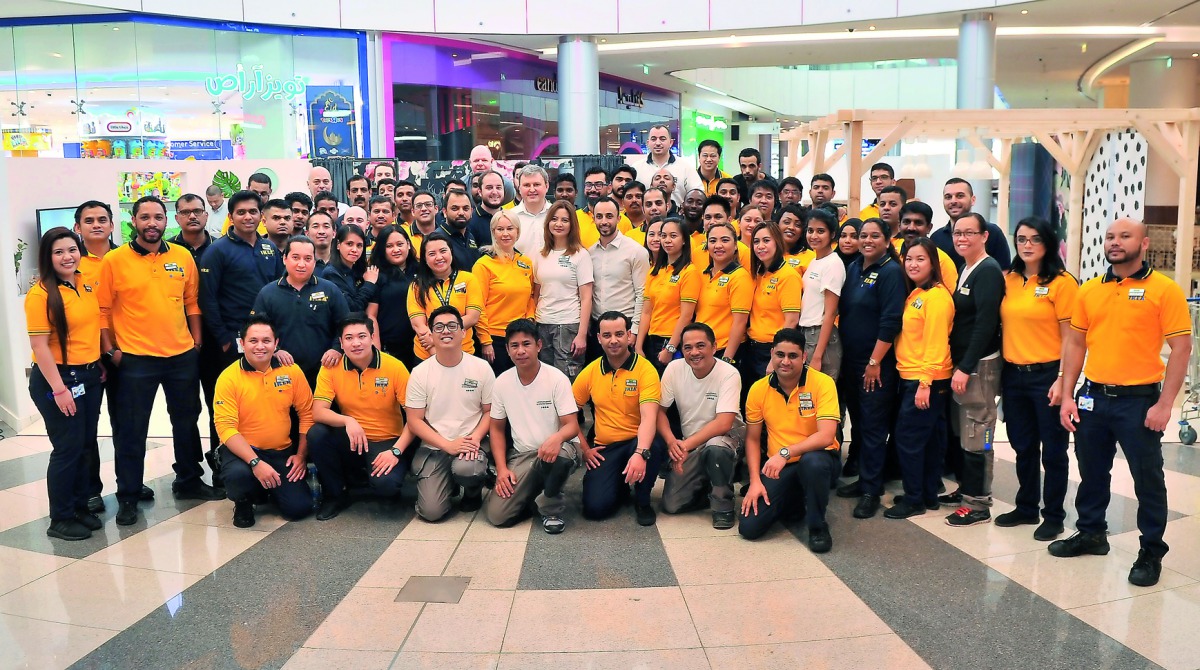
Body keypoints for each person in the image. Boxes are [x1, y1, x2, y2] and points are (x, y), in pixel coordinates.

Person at [1052, 218, 1191, 587]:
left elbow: (1181, 348)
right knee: (1092, 471)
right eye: (1110, 237)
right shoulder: (1091, 290)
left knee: (1148, 480)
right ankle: (1092, 533)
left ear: (1144, 243)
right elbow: (1076, 344)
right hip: (1094, 397)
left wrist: (1164, 405)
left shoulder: (1164, 290)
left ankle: (1151, 551)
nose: (1115, 242)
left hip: (1139, 401)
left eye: (1125, 236)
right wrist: (1068, 394)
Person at [99, 196, 220, 527]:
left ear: (167, 221)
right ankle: (128, 495)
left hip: (181, 356)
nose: (151, 223)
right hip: (135, 359)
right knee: (131, 430)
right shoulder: (114, 260)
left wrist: (196, 341)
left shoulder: (181, 256)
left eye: (157, 217)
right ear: (133, 221)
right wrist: (111, 351)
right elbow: (103, 310)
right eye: (144, 218)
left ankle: (189, 481)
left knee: (186, 421)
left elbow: (192, 301)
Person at [997, 217, 1078, 541]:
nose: (1027, 245)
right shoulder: (1009, 279)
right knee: (1023, 446)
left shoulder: (1061, 282)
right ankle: (1026, 506)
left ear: (1048, 243)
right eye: (1021, 239)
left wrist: (1063, 380)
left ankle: (1054, 515)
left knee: (1054, 450)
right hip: (1014, 376)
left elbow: (1071, 338)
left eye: (1034, 239)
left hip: (1048, 375)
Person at [198, 190, 285, 488]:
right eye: (241, 212)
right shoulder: (217, 251)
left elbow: (277, 292)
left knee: (262, 402)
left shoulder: (269, 249)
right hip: (229, 344)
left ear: (261, 216)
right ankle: (224, 466)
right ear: (231, 216)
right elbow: (207, 299)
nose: (248, 217)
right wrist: (223, 338)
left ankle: (263, 461)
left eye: (253, 212)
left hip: (264, 344)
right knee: (224, 406)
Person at [26, 228, 104, 540]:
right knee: (67, 449)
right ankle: (60, 518)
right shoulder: (40, 294)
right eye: (58, 252)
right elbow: (40, 347)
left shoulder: (83, 283)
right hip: (57, 379)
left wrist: (95, 363)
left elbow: (88, 329)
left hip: (87, 375)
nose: (67, 256)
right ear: (48, 257)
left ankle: (78, 507)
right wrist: (59, 390)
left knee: (85, 446)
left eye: (71, 249)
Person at [738, 328, 840, 553]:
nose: (785, 361)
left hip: (819, 458)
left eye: (793, 356)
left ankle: (817, 526)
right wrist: (755, 480)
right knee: (749, 528)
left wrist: (785, 453)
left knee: (812, 463)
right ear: (772, 353)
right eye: (780, 355)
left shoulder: (822, 383)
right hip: (780, 467)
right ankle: (795, 499)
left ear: (803, 357)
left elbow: (826, 436)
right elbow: (753, 440)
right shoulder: (758, 389)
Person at [213, 316, 314, 529]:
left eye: (267, 341)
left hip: (281, 451)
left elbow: (307, 413)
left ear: (276, 344)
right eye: (253, 341)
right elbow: (225, 428)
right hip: (244, 452)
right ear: (242, 343)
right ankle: (244, 501)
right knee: (239, 476)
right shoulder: (228, 377)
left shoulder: (291, 371)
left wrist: (301, 455)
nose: (260, 346)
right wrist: (255, 463)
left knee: (299, 509)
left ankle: (271, 489)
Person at [309, 316, 413, 521]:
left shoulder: (394, 367)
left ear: (373, 337)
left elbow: (415, 418)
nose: (355, 343)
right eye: (349, 338)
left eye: (361, 336)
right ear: (341, 342)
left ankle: (375, 480)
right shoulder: (331, 367)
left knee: (387, 487)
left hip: (386, 440)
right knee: (317, 434)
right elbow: (318, 411)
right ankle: (335, 494)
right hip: (352, 436)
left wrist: (395, 450)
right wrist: (349, 421)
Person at [486, 320, 581, 533]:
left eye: (526, 344)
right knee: (497, 516)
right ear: (508, 350)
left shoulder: (556, 378)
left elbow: (571, 426)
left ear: (539, 345)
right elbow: (497, 429)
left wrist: (555, 439)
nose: (521, 351)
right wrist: (502, 469)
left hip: (560, 449)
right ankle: (534, 493)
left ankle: (551, 508)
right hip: (523, 455)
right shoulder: (502, 382)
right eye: (514, 345)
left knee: (558, 457)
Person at [835, 217, 907, 500]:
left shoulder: (891, 272)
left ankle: (871, 491)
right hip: (851, 362)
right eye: (863, 235)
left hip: (875, 365)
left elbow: (891, 321)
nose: (866, 240)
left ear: (888, 241)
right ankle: (866, 478)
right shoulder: (854, 268)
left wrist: (875, 362)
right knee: (860, 424)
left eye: (874, 236)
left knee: (874, 426)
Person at [884, 237, 955, 519]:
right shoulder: (917, 294)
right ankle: (926, 493)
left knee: (908, 439)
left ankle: (914, 499)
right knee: (928, 440)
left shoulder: (937, 297)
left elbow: (937, 344)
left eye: (920, 259)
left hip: (925, 379)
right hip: (915, 376)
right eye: (909, 259)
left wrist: (925, 383)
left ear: (933, 263)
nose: (913, 264)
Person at [574, 311, 665, 526]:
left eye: (619, 334)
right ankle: (621, 484)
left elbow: (650, 418)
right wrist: (585, 449)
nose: (613, 340)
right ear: (598, 338)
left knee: (655, 446)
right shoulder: (591, 371)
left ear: (629, 336)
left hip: (637, 441)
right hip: (606, 446)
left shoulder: (645, 370)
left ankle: (643, 500)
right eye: (607, 335)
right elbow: (567, 416)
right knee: (595, 509)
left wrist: (641, 452)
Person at [943, 212, 1006, 527]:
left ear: (985, 236)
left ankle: (978, 503)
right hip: (966, 364)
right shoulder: (966, 268)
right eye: (957, 233)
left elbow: (985, 324)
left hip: (979, 366)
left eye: (969, 232)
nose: (961, 238)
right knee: (964, 433)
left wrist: (965, 367)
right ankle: (967, 489)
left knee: (978, 433)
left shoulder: (989, 271)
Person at [406, 306, 496, 520]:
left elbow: (490, 412)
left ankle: (473, 491)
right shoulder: (420, 373)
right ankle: (447, 483)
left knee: (468, 469)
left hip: (471, 443)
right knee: (431, 513)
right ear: (431, 334)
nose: (446, 331)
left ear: (463, 332)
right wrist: (447, 445)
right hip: (435, 446)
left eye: (452, 326)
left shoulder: (481, 368)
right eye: (439, 327)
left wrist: (474, 439)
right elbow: (414, 421)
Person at [658, 323, 743, 528]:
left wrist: (684, 446)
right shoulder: (674, 368)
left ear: (714, 347)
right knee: (672, 505)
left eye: (700, 346)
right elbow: (659, 412)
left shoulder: (729, 373)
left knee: (715, 447)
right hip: (693, 442)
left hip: (727, 438)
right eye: (687, 348)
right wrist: (673, 443)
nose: (694, 352)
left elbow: (723, 423)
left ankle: (723, 504)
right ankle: (709, 487)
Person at [251, 235, 350, 387]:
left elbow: (346, 325)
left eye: (308, 258)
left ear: (314, 261)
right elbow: (255, 330)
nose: (301, 264)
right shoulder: (267, 293)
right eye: (295, 257)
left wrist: (336, 349)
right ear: (285, 259)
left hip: (325, 371)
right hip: (281, 372)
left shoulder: (330, 289)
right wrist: (275, 350)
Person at [73, 201, 121, 513]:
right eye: (88, 220)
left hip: (123, 355)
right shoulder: (70, 263)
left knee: (127, 425)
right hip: (87, 360)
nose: (96, 225)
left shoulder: (125, 258)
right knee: (87, 430)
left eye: (102, 219)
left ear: (112, 225)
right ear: (78, 227)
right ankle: (91, 489)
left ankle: (131, 481)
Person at [533, 201, 594, 379]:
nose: (558, 224)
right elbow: (537, 292)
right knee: (545, 379)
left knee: (567, 380)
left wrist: (582, 334)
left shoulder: (580, 255)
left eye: (564, 220)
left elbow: (586, 298)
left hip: (568, 325)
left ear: (572, 224)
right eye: (554, 219)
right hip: (542, 324)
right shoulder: (540, 254)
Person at [586, 196, 650, 363]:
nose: (604, 221)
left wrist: (634, 330)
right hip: (597, 329)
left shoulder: (636, 252)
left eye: (609, 216)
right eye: (599, 217)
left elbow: (642, 294)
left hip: (625, 328)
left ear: (619, 218)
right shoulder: (589, 253)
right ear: (593, 219)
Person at [474, 210, 535, 374]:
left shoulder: (526, 263)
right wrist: (486, 341)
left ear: (518, 232)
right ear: (493, 232)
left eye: (510, 228)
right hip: (495, 340)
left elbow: (530, 297)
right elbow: (477, 305)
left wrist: (530, 320)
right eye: (500, 229)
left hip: (520, 337)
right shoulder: (483, 265)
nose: (505, 234)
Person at [407, 231, 483, 362]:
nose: (439, 257)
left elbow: (473, 317)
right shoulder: (416, 286)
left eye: (443, 251)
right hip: (426, 355)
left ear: (451, 252)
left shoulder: (468, 279)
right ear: (424, 258)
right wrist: (436, 354)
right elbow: (418, 325)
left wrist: (442, 330)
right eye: (432, 254)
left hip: (463, 353)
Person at [637, 219, 701, 376]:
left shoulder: (689, 272)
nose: (667, 240)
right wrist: (638, 346)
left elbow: (686, 315)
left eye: (673, 236)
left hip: (672, 341)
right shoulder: (654, 271)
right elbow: (646, 312)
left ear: (684, 240)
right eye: (663, 235)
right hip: (651, 339)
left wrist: (670, 347)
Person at [745, 222, 801, 380]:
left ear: (777, 241)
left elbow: (791, 321)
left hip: (771, 350)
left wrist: (775, 358)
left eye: (766, 240)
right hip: (752, 347)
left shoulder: (788, 276)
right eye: (756, 242)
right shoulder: (758, 273)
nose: (760, 246)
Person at [695, 222, 751, 364]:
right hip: (701, 351)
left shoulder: (740, 277)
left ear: (736, 244)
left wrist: (727, 358)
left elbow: (740, 322)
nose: (718, 245)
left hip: (725, 351)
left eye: (725, 240)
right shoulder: (702, 274)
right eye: (713, 241)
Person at [799, 208, 845, 380]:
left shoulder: (833, 264)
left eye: (820, 231)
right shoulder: (815, 260)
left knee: (820, 395)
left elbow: (830, 312)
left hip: (820, 336)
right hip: (807, 333)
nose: (814, 236)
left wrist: (818, 355)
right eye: (810, 231)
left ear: (832, 234)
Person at [365, 225, 418, 368]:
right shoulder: (377, 275)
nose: (396, 250)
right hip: (390, 347)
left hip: (420, 345)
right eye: (389, 246)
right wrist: (376, 350)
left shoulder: (421, 271)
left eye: (400, 244)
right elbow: (371, 315)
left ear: (408, 244)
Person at [931, 178, 1012, 270]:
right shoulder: (936, 238)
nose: (953, 201)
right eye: (948, 197)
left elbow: (1004, 272)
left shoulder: (992, 232)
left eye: (960, 196)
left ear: (973, 200)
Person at [896, 201, 959, 289]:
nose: (911, 228)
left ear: (929, 228)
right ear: (899, 226)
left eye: (918, 223)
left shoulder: (941, 260)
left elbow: (948, 297)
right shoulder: (894, 253)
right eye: (906, 222)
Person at [634, 124, 701, 206]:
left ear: (671, 142)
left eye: (662, 139)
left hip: (677, 217)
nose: (658, 143)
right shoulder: (637, 168)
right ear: (648, 143)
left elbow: (698, 194)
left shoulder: (686, 167)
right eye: (653, 139)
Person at [322, 224, 378, 312]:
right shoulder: (331, 273)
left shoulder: (360, 270)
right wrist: (369, 284)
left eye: (359, 245)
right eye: (349, 244)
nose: (354, 250)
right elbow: (352, 308)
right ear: (338, 245)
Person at [512, 164, 551, 256]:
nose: (532, 189)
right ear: (519, 188)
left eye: (537, 184)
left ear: (547, 186)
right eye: (526, 185)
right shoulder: (510, 217)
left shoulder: (557, 215)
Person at [438, 190, 483, 269]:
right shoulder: (437, 239)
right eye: (455, 209)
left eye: (466, 209)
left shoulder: (470, 236)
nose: (461, 213)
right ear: (445, 212)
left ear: (471, 211)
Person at [169, 194, 212, 266]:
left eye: (197, 211)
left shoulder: (219, 247)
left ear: (206, 216)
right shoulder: (168, 249)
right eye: (185, 212)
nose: (192, 216)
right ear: (177, 218)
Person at [468, 170, 507, 247]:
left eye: (499, 188)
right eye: (489, 188)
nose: (495, 192)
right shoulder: (470, 221)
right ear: (480, 192)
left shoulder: (511, 218)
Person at [778, 205, 814, 273]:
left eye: (798, 225)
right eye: (786, 222)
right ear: (777, 224)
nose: (791, 227)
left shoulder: (811, 258)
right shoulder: (768, 253)